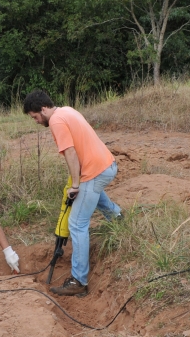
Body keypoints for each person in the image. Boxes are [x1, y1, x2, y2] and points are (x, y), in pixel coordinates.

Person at [24, 90, 121, 296]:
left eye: (35, 117)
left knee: (76, 224)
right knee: (92, 196)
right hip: (106, 164)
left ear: (43, 109)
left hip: (94, 171)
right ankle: (118, 217)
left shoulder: (57, 121)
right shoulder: (67, 110)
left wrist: (75, 184)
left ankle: (79, 280)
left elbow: (70, 152)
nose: (36, 121)